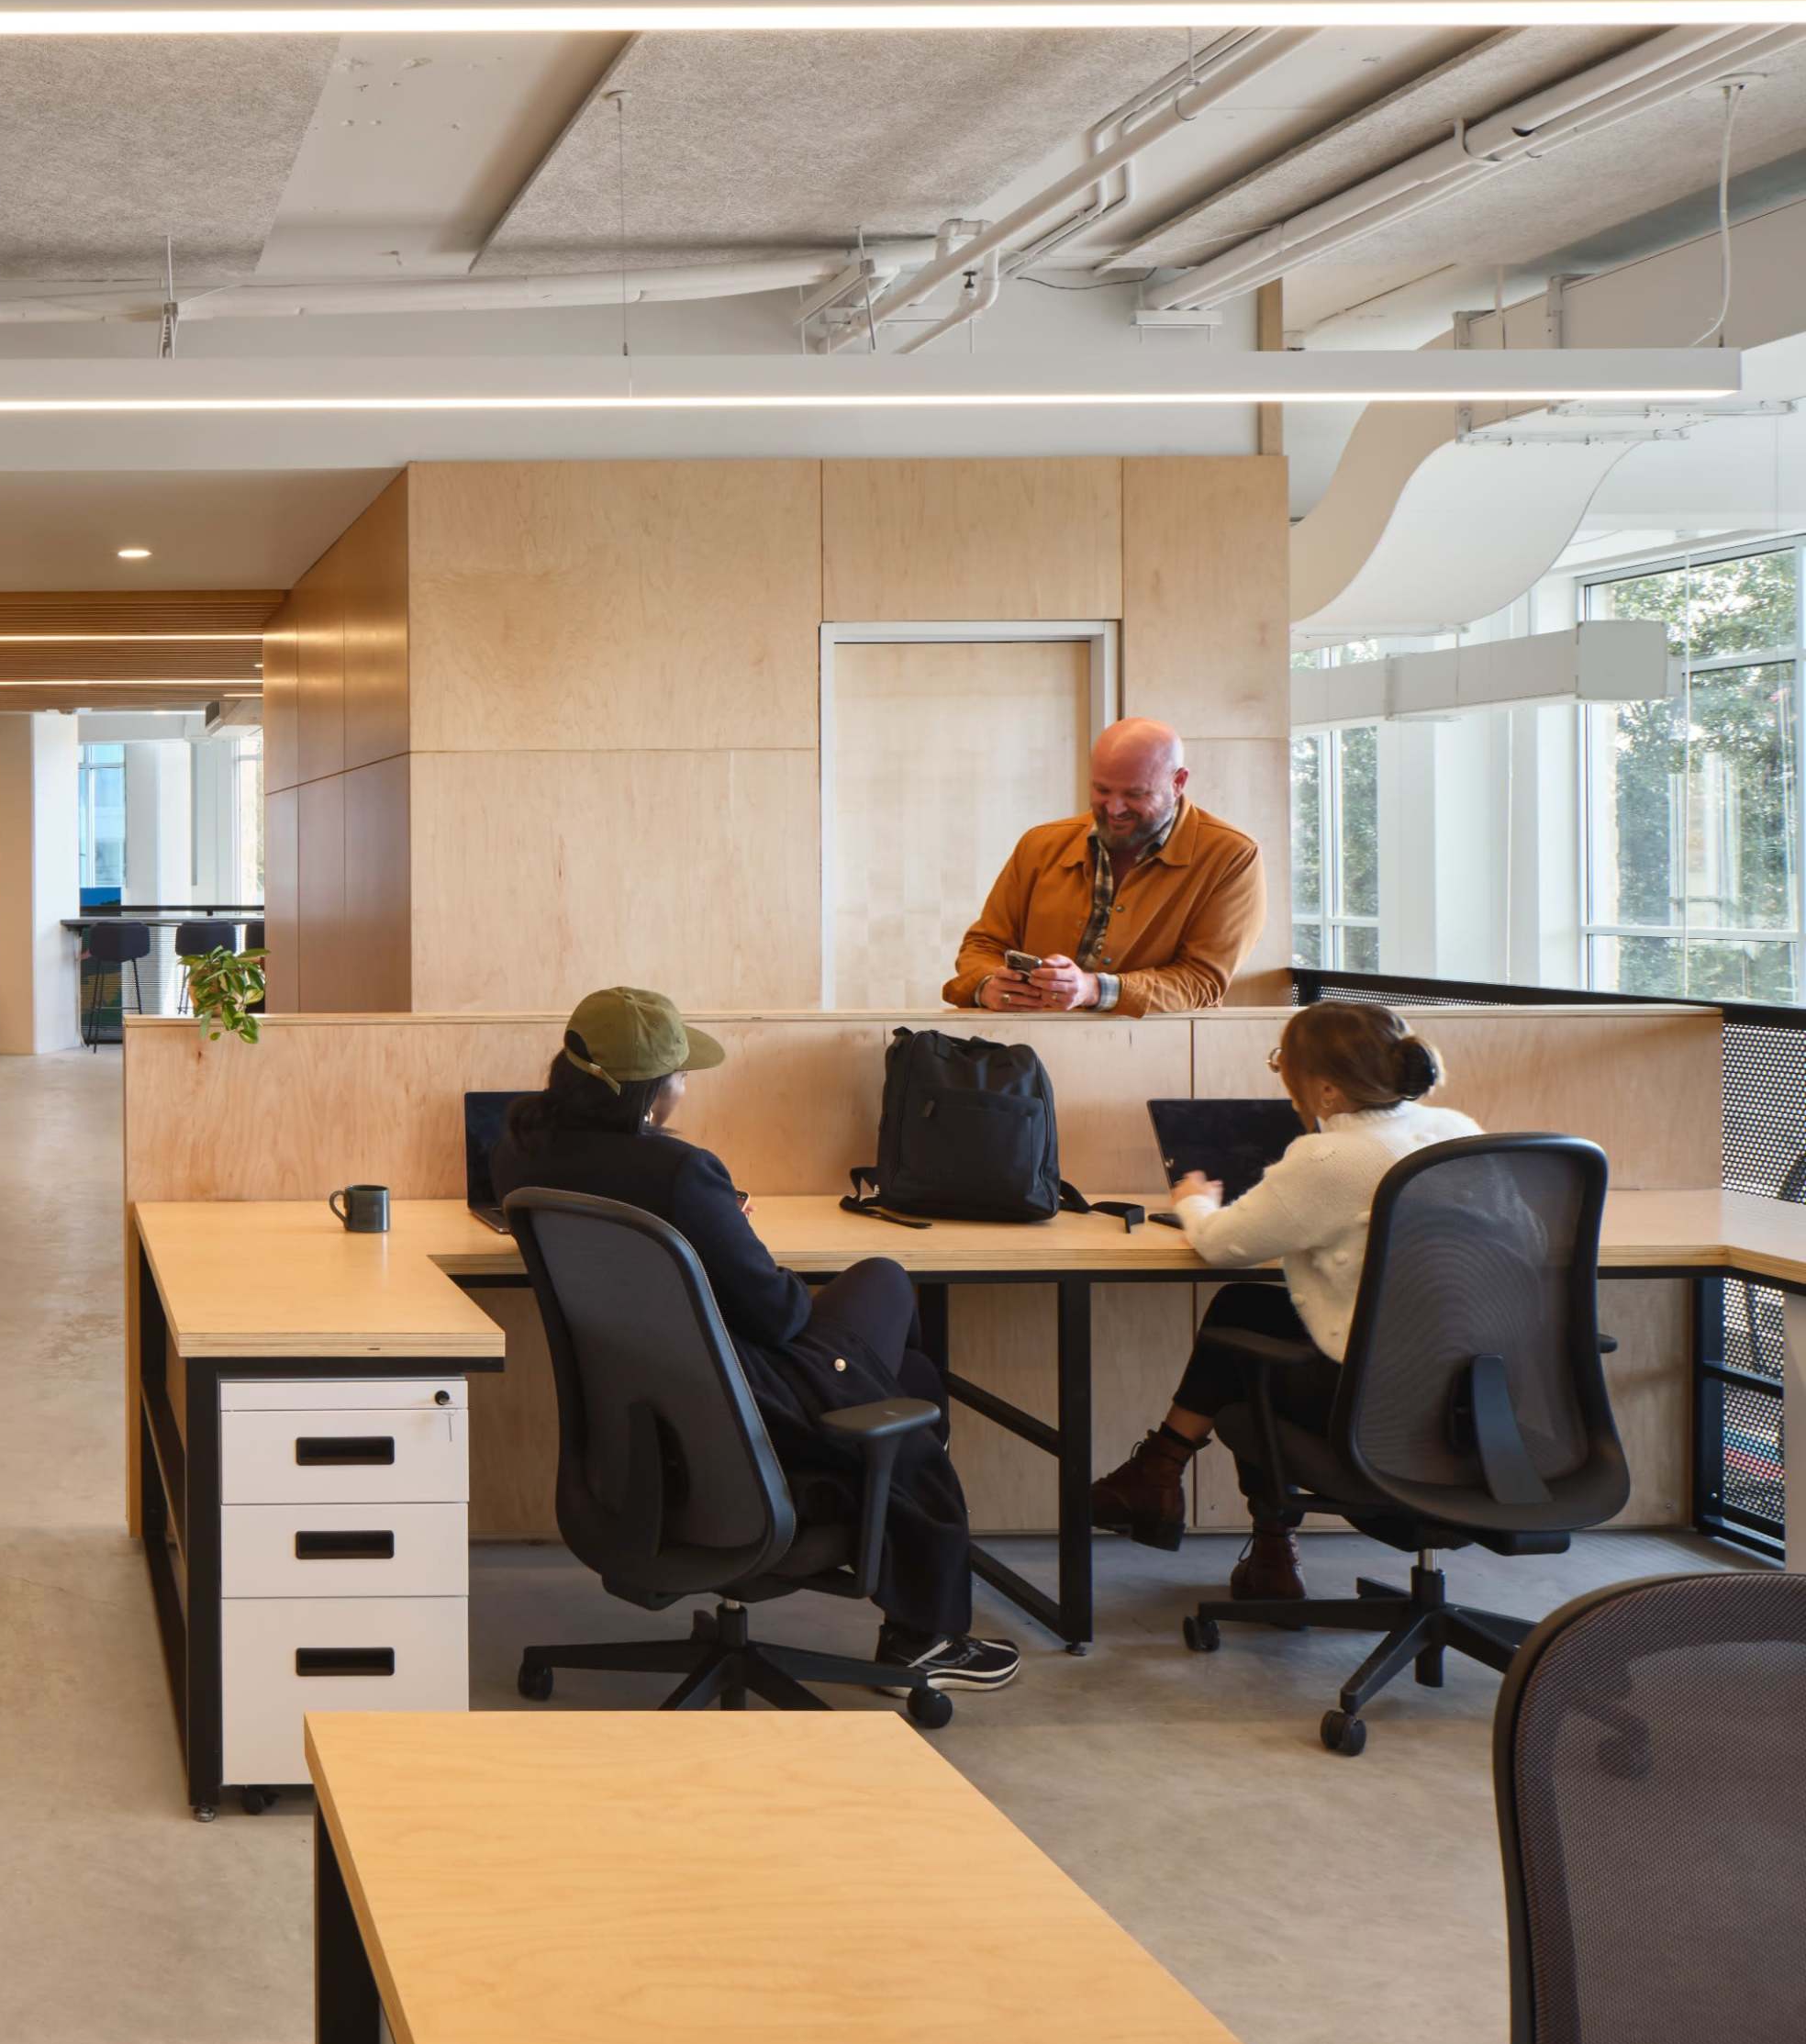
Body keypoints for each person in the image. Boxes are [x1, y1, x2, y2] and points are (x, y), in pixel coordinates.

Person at [490, 986, 1019, 1691]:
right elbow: (779, 1316)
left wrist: (716, 1224)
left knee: (908, 1378)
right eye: (679, 1074)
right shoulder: (683, 1174)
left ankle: (895, 1474)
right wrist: (735, 1229)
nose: (684, 1086)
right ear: (648, 1090)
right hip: (751, 1397)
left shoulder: (522, 1154)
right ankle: (918, 1607)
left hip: (651, 1425)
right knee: (888, 1286)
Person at [1087, 1000, 1478, 1603]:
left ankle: (1183, 1489)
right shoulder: (1456, 1130)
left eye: (1283, 1067)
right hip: (1472, 1397)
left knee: (1249, 1366)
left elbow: (1221, 1245)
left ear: (1324, 1090)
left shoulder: (1329, 1158)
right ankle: (1182, 1489)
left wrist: (1193, 1197)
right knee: (1246, 1311)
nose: (1284, 1082)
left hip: (1378, 1409)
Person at [945, 717, 1263, 1017]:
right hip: (1029, 1052)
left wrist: (1093, 989)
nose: (1114, 808)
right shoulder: (1039, 844)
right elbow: (983, 946)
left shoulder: (1232, 855)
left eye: (1135, 794)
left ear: (1178, 782)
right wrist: (987, 985)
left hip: (1158, 1050)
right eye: (1102, 790)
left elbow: (1201, 980)